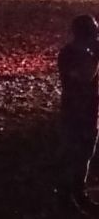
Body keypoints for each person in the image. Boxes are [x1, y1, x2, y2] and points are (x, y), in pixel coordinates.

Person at [58, 15, 99, 213]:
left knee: (86, 154)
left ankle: (79, 192)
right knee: (73, 154)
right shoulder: (68, 54)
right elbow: (85, 76)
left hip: (90, 109)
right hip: (74, 110)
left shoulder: (89, 52)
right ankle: (66, 196)